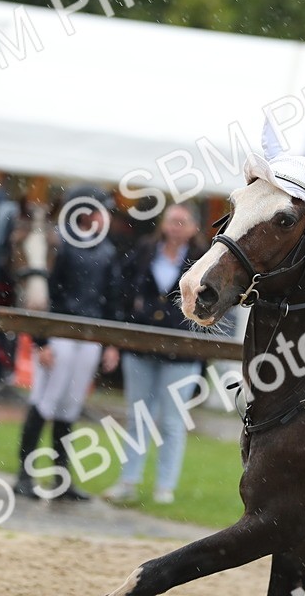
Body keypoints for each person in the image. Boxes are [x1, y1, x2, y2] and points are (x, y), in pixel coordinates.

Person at [14, 185, 119, 500]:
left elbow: (111, 300)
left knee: (69, 407)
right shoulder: (58, 244)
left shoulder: (107, 250)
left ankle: (60, 477)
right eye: (101, 210)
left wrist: (111, 342)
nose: (106, 217)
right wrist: (41, 340)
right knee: (44, 402)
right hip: (59, 333)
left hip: (89, 338)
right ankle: (24, 474)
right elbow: (43, 296)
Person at [103, 203, 207, 505]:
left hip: (183, 350)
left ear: (193, 228)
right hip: (140, 344)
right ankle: (128, 480)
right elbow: (121, 292)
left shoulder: (201, 260)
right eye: (171, 220)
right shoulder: (144, 252)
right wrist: (116, 339)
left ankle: (165, 487)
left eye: (182, 221)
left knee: (173, 421)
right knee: (138, 416)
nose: (175, 226)